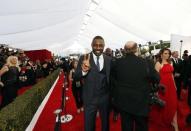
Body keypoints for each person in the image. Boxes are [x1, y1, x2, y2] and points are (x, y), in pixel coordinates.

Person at [110, 41, 159, 131]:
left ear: (124, 50)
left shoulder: (117, 63)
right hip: (141, 102)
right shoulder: (146, 63)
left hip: (124, 102)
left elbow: (112, 80)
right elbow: (156, 79)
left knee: (126, 127)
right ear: (136, 49)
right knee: (141, 127)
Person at [74, 36, 111, 131]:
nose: (98, 48)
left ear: (104, 46)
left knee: (105, 124)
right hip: (89, 98)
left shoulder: (109, 59)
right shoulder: (84, 57)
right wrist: (83, 71)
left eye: (100, 45)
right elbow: (76, 76)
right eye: (95, 45)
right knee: (89, 126)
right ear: (91, 45)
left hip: (105, 98)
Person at [150, 48, 178, 131]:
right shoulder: (158, 64)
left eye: (168, 53)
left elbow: (172, 75)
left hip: (171, 87)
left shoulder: (171, 62)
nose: (167, 55)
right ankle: (168, 121)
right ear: (161, 54)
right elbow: (155, 78)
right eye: (165, 53)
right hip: (163, 88)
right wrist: (157, 90)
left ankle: (175, 123)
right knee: (164, 105)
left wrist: (175, 85)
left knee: (173, 104)